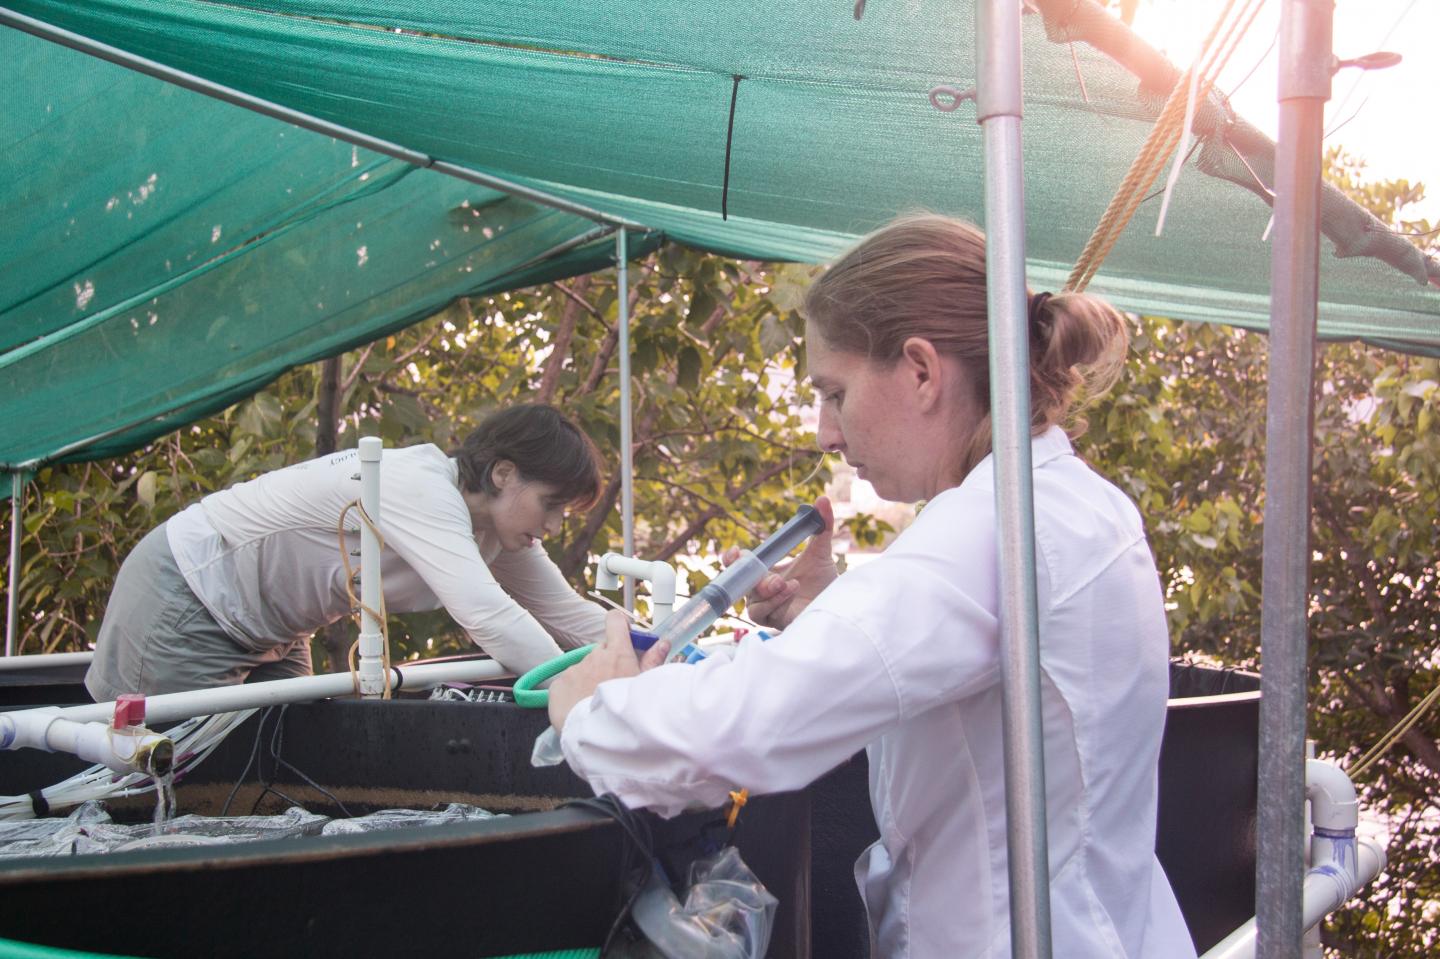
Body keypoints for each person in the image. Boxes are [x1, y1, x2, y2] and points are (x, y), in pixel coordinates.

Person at [547, 215, 1196, 957]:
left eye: (835, 392)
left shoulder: (990, 530)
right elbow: (954, 681)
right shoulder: (1078, 503)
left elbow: (749, 723)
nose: (826, 433)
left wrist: (592, 713)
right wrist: (825, 614)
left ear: (920, 371)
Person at [85, 403, 609, 702]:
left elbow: (568, 615)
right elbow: (489, 615)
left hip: (274, 631)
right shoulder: (421, 488)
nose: (554, 526)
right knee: (165, 784)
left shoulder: (497, 528)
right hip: (190, 593)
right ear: (503, 474)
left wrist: (651, 654)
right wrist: (593, 695)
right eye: (551, 504)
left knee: (274, 777)